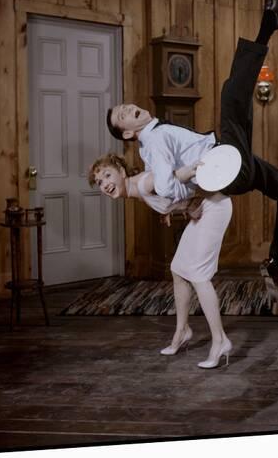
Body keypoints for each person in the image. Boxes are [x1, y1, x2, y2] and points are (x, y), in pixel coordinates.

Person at [105, 0, 278, 296]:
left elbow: (159, 187)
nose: (129, 108)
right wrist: (186, 198)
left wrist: (177, 207)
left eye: (126, 105)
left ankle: (274, 262)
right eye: (123, 115)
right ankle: (270, 20)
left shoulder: (155, 137)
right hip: (223, 166)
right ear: (128, 133)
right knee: (230, 95)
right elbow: (167, 185)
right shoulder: (152, 142)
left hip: (230, 163)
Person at [88, 153, 233, 369]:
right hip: (203, 209)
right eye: (100, 182)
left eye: (108, 175)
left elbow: (179, 179)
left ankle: (221, 341)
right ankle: (182, 331)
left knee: (197, 273)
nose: (105, 184)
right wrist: (174, 208)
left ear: (121, 171)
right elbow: (173, 193)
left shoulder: (145, 183)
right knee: (178, 269)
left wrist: (192, 200)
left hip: (214, 207)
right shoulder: (137, 189)